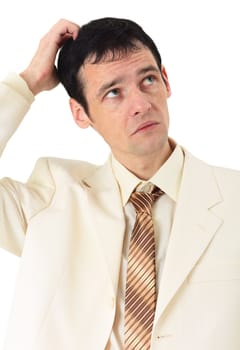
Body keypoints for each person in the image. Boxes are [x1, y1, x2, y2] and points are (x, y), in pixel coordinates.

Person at [0, 17, 240, 350]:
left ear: (166, 81)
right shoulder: (51, 198)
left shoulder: (234, 198)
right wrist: (25, 84)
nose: (141, 105)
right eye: (114, 92)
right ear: (80, 113)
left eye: (148, 80)